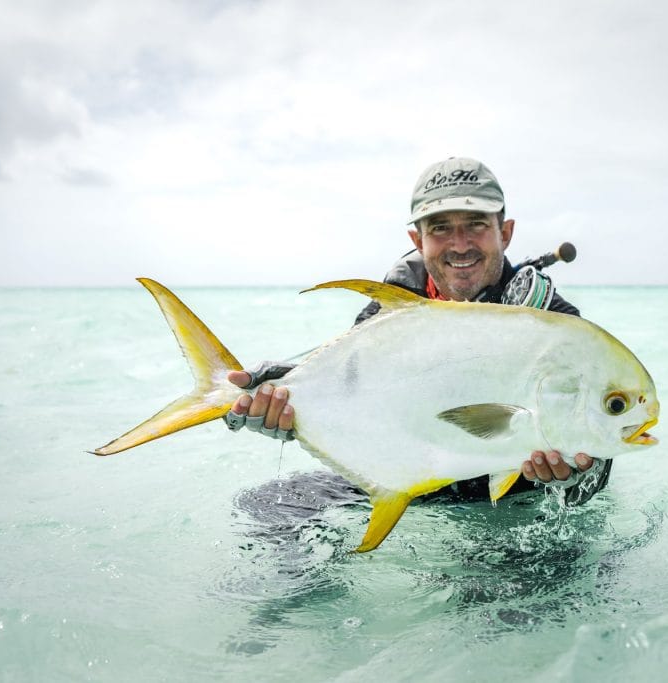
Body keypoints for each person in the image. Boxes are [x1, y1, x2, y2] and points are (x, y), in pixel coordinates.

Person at [224, 157, 612, 505]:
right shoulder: (386, 315)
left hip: (515, 501)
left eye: (476, 225)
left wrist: (579, 474)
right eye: (440, 228)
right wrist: (289, 406)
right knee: (272, 507)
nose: (460, 245)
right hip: (411, 485)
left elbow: (602, 445)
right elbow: (350, 398)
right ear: (417, 240)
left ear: (505, 232)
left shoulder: (555, 327)